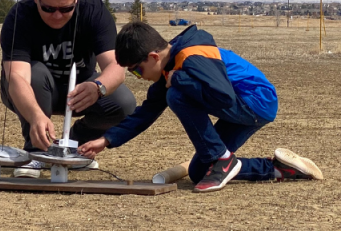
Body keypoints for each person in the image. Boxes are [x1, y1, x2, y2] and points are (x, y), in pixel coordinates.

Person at [78, 21, 323, 192]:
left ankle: (223, 159)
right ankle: (281, 169)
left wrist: (179, 79)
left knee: (176, 95)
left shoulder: (190, 58)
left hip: (256, 102)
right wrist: (107, 140)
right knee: (199, 171)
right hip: (245, 104)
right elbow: (147, 111)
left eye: (137, 71)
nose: (139, 77)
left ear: (153, 57)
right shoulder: (169, 64)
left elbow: (224, 97)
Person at [0, 0, 136, 178]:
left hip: (80, 90)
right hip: (35, 91)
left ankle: (75, 147)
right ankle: (37, 153)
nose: (57, 16)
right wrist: (35, 116)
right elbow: (17, 77)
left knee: (124, 103)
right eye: (47, 8)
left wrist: (97, 87)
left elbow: (116, 67)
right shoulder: (20, 17)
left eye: (66, 8)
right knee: (35, 74)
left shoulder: (94, 10)